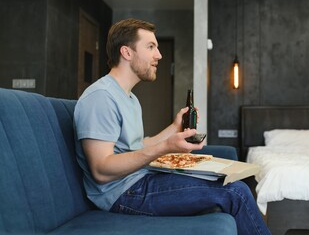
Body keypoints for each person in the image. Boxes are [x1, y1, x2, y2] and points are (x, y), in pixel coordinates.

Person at [74, 18, 270, 235]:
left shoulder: (129, 98)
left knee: (224, 179)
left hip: (139, 180)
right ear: (127, 53)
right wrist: (165, 147)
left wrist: (175, 128)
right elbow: (101, 170)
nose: (159, 55)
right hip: (122, 194)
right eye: (151, 47)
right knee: (237, 192)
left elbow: (136, 146)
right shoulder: (101, 97)